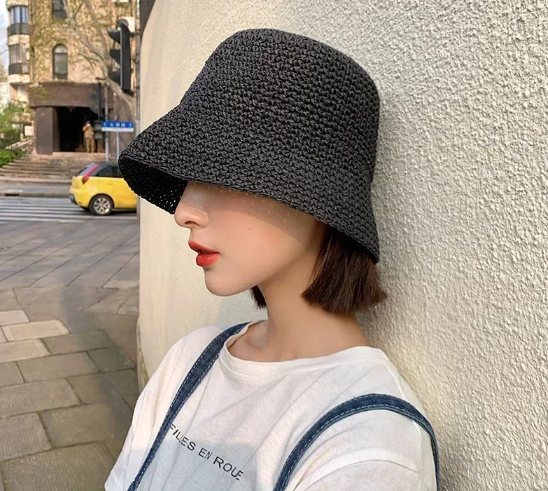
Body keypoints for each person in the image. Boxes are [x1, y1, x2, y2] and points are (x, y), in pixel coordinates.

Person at [106, 28, 439, 491]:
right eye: (190, 177)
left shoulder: (369, 447)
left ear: (319, 197)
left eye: (223, 173)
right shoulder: (189, 359)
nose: (183, 212)